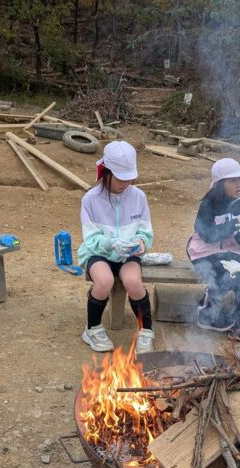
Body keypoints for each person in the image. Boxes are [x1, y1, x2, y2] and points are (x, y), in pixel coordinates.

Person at [77, 141, 154, 353]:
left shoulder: (138, 196)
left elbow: (145, 232)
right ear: (107, 172)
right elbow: (90, 239)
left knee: (133, 281)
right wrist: (110, 242)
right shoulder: (91, 199)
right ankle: (92, 328)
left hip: (128, 254)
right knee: (104, 281)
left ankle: (146, 330)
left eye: (129, 177)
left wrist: (140, 243)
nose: (126, 183)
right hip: (98, 252)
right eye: (121, 177)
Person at [187, 158, 240, 341]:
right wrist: (235, 223)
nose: (239, 185)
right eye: (233, 181)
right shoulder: (208, 205)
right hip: (205, 253)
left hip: (232, 252)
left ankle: (238, 320)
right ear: (219, 184)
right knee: (224, 276)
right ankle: (206, 313)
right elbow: (208, 235)